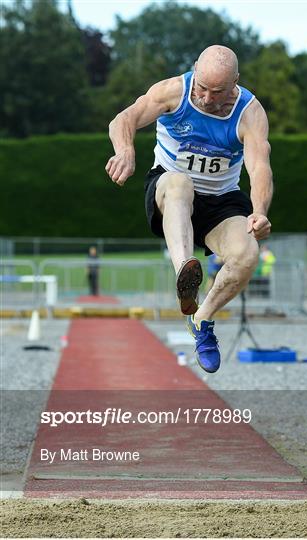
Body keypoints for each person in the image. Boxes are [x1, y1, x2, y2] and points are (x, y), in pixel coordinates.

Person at [106, 45, 273, 373]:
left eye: (219, 92)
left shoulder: (249, 113)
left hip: (221, 200)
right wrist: (125, 150)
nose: (209, 99)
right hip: (170, 192)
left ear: (236, 82)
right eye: (203, 88)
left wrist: (259, 210)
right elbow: (123, 118)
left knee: (247, 254)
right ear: (194, 69)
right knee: (180, 182)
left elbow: (259, 166)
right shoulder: (173, 91)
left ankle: (202, 320)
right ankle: (186, 271)